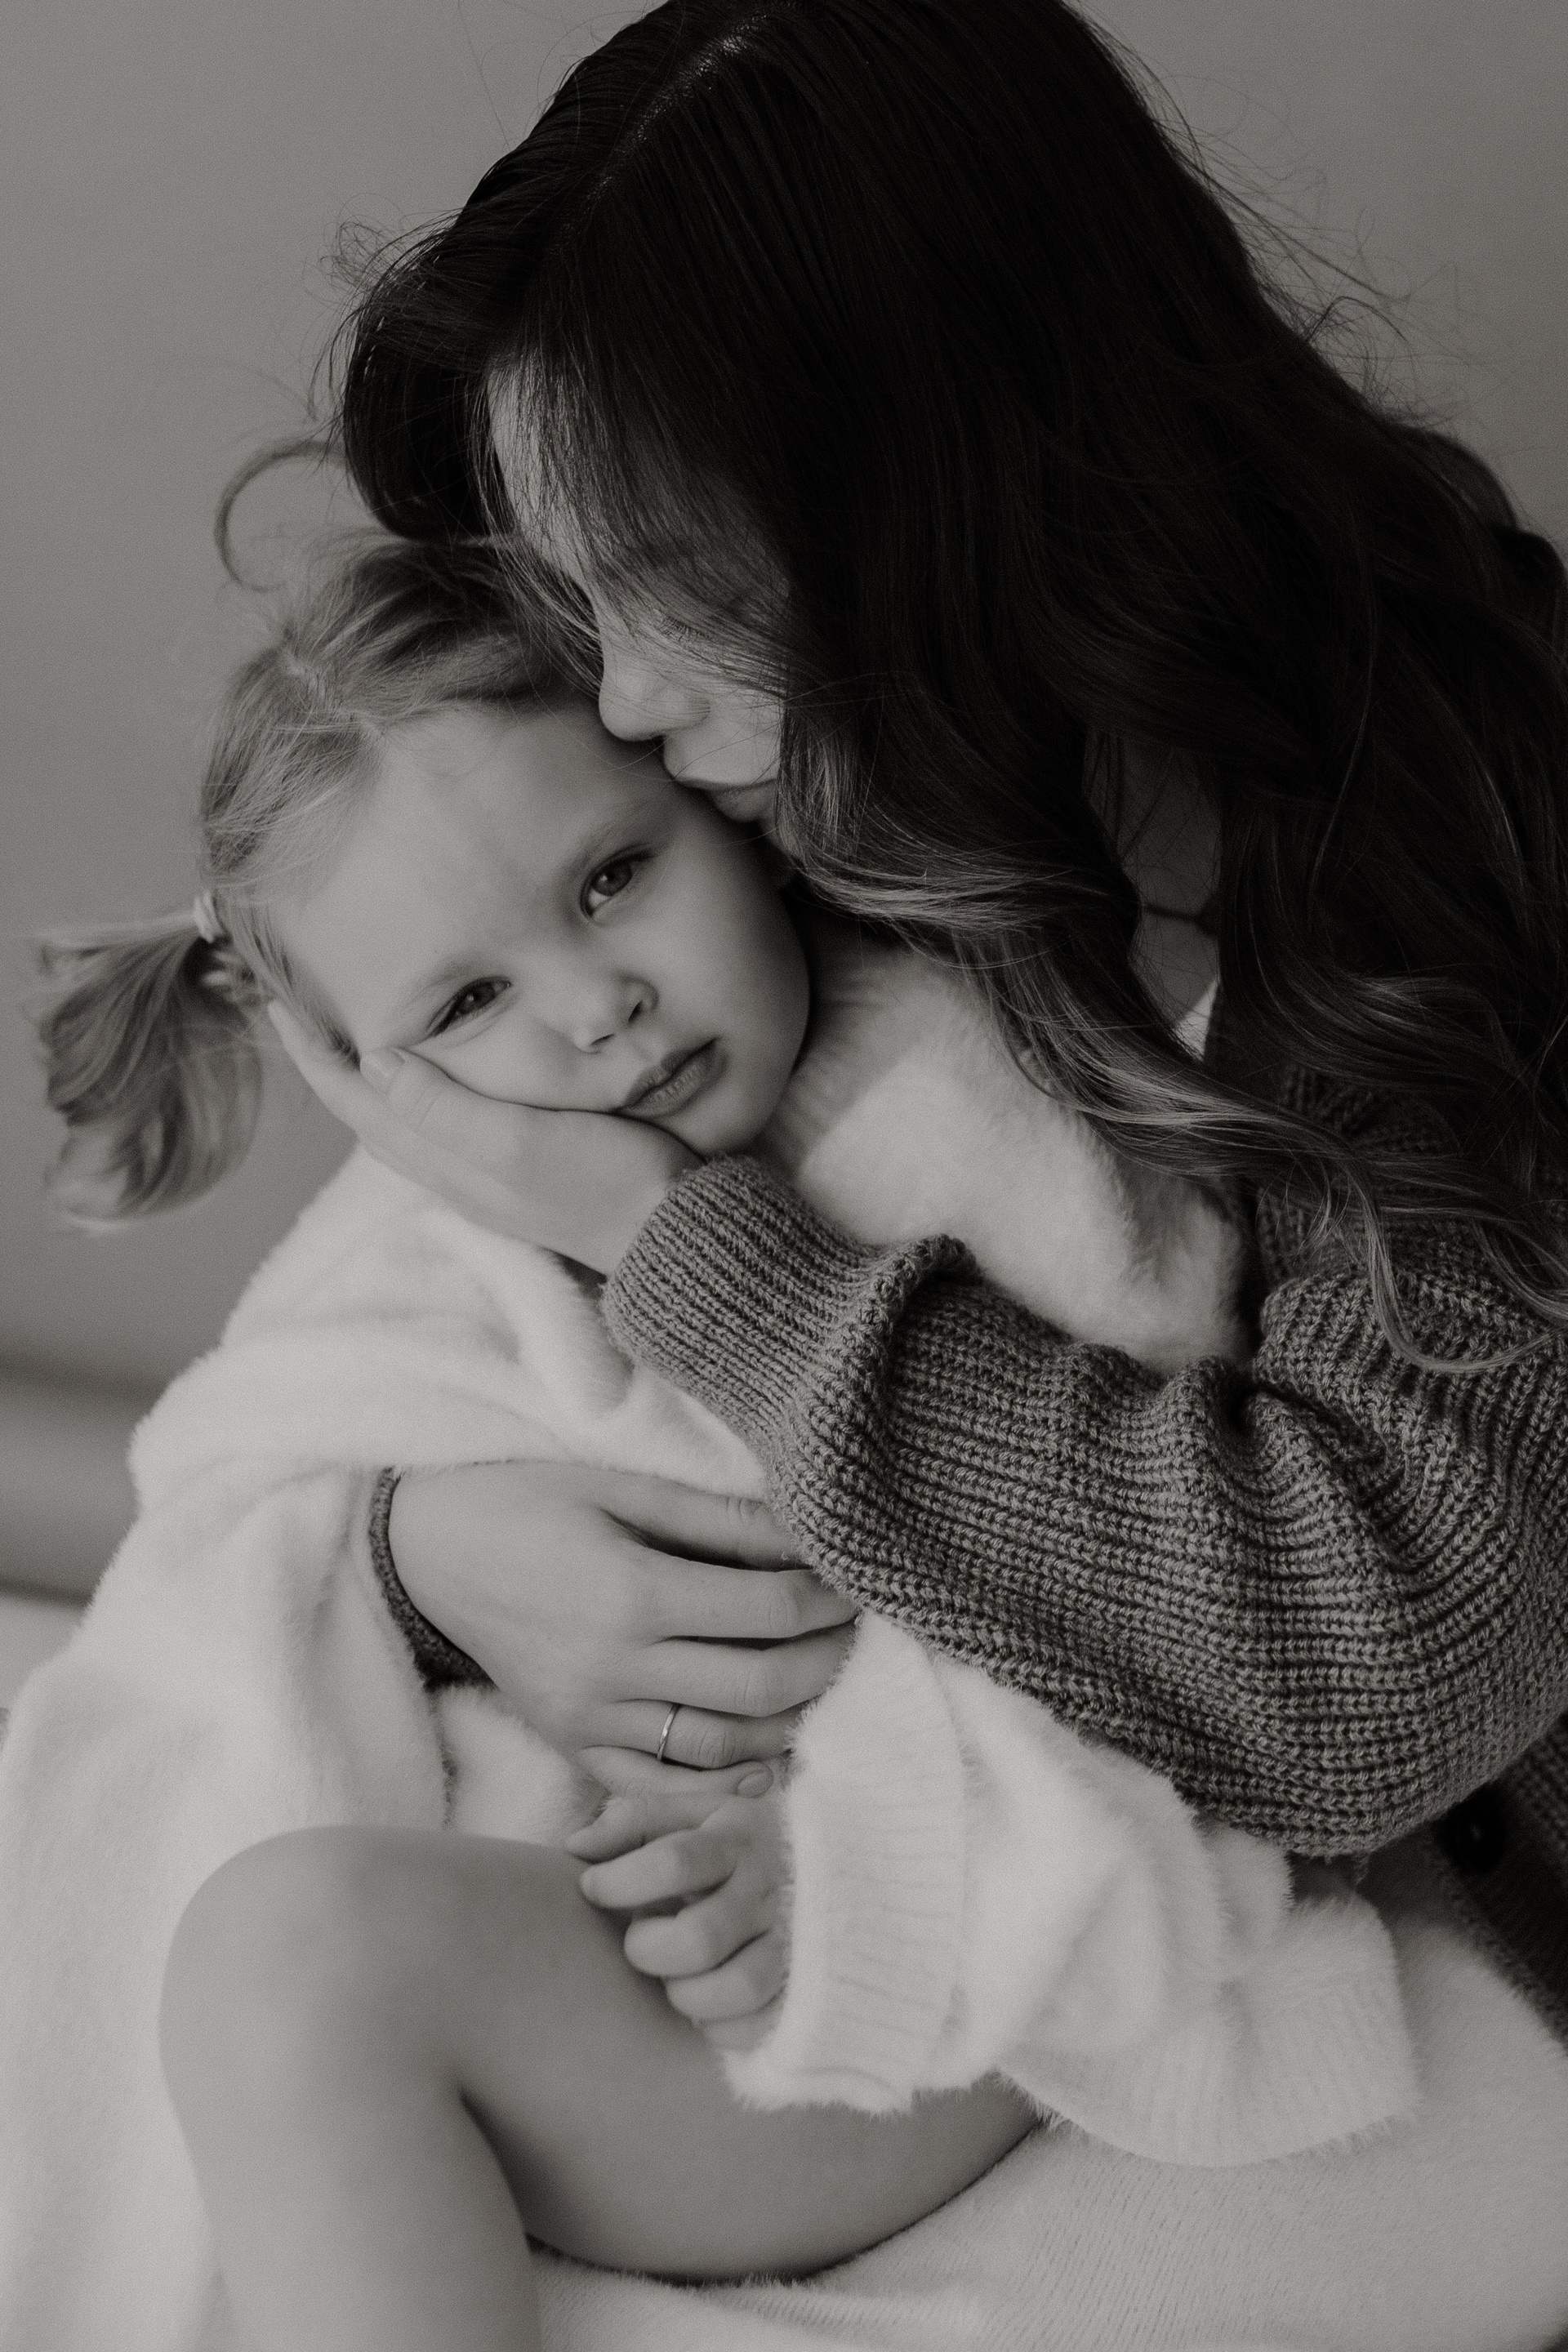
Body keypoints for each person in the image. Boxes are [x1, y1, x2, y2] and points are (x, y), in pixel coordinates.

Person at [262, 0, 1568, 2046]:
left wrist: (683, 1250)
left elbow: (1376, 1657)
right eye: (586, 604)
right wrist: (434, 1555)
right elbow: (391, 1373)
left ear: (977, 504)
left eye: (684, 591)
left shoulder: (1478, 879)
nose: (627, 703)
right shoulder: (825, 846)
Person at [24, 532, 1414, 2352]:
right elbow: (217, 1556)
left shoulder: (974, 1103)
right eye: (466, 1003)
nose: (593, 1004)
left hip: (886, 1945)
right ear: (364, 1077)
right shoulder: (422, 1219)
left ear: (729, 811)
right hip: (571, 1912)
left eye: (613, 877)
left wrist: (853, 1862)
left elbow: (1156, 1583)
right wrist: (403, 1549)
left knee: (293, 1960)